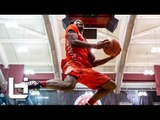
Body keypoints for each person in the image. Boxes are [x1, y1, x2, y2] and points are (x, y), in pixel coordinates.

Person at [27, 18, 120, 105]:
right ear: (73, 24)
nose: (79, 23)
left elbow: (93, 62)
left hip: (85, 68)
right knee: (68, 85)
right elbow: (74, 42)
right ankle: (38, 84)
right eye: (77, 22)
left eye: (81, 23)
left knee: (111, 86)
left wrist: (111, 57)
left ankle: (89, 104)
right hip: (73, 63)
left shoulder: (85, 41)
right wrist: (96, 45)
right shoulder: (71, 28)